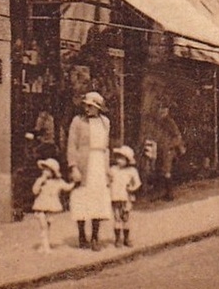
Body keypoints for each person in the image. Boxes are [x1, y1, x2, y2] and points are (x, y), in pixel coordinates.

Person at [66, 91, 111, 249]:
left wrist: (107, 169)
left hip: (99, 164)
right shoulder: (77, 122)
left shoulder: (105, 122)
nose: (87, 108)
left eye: (91, 106)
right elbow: (72, 145)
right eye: (85, 105)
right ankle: (82, 236)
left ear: (98, 107)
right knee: (82, 200)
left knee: (97, 200)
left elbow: (106, 148)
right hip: (83, 165)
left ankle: (95, 237)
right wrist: (73, 167)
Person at [30, 159, 73, 252]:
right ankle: (46, 247)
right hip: (40, 208)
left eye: (47, 170)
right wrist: (40, 181)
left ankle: (43, 245)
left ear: (53, 172)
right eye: (44, 169)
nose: (44, 171)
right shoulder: (40, 180)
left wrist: (75, 183)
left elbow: (67, 187)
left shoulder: (58, 182)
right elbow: (34, 191)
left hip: (50, 209)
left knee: (47, 227)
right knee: (44, 227)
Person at [107, 146, 141, 247]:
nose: (119, 160)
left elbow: (138, 183)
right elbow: (108, 181)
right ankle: (117, 239)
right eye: (118, 158)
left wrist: (132, 188)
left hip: (126, 197)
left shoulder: (132, 171)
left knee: (125, 217)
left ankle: (126, 238)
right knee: (117, 217)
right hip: (115, 197)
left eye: (122, 158)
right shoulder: (113, 169)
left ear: (127, 160)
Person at [152, 103, 186, 200]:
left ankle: (170, 194)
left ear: (167, 111)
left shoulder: (169, 122)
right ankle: (162, 192)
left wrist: (169, 145)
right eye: (160, 110)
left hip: (168, 150)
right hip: (161, 149)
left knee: (166, 171)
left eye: (164, 110)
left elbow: (177, 136)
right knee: (161, 170)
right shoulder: (158, 122)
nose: (162, 112)